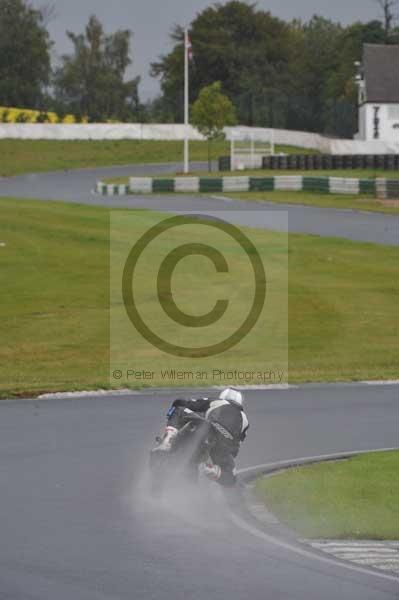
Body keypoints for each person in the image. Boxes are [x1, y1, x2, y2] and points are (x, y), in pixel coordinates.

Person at [156, 387, 249, 487]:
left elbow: (187, 403)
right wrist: (221, 459)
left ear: (223, 397)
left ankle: (169, 438)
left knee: (179, 409)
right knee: (232, 478)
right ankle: (214, 472)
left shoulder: (217, 401)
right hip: (222, 446)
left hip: (208, 427)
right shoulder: (246, 422)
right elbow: (235, 450)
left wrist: (177, 403)